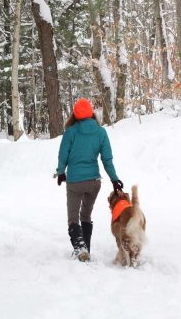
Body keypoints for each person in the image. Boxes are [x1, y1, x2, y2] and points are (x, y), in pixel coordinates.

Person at [55, 98, 123, 261]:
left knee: (73, 218)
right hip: (94, 182)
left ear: (75, 115)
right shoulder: (101, 132)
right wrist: (115, 180)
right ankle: (86, 249)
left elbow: (63, 155)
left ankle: (80, 248)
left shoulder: (70, 132)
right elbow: (107, 160)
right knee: (86, 216)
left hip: (75, 182)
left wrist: (60, 172)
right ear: (91, 113)